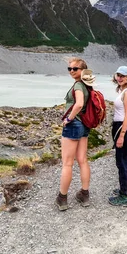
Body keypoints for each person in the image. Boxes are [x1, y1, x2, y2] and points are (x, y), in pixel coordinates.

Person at [55, 57, 95, 211]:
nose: (71, 71)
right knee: (83, 160)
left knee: (67, 163)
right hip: (84, 124)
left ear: (82, 70)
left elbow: (78, 104)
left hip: (74, 124)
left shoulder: (78, 85)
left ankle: (62, 198)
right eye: (69, 69)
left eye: (75, 69)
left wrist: (68, 119)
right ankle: (84, 194)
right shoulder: (87, 85)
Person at [108, 65, 127, 207]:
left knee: (121, 161)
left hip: (123, 127)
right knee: (125, 157)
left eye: (123, 76)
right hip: (121, 127)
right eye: (118, 75)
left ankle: (123, 195)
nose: (120, 78)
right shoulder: (123, 90)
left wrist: (121, 135)